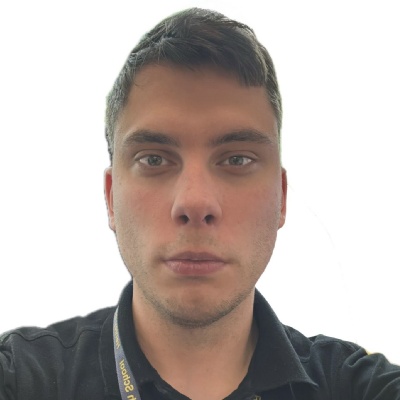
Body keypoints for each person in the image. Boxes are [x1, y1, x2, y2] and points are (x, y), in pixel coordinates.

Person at [0, 7, 399, 400]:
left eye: (237, 159)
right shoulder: (23, 379)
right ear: (110, 199)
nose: (194, 202)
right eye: (153, 160)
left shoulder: (357, 388)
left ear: (281, 197)